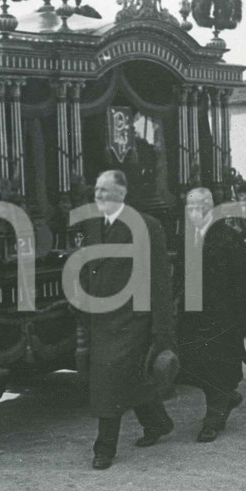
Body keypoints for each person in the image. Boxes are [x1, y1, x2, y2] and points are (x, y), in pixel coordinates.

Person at [77, 170, 175, 470]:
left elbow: (160, 280)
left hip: (133, 318)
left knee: (108, 380)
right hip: (101, 317)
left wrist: (162, 330)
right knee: (128, 377)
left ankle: (104, 448)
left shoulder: (147, 226)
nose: (99, 196)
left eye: (105, 190)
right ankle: (158, 423)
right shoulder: (93, 225)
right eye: (96, 190)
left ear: (122, 192)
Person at [176, 187, 246, 442]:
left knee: (217, 367)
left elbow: (244, 282)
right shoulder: (187, 237)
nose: (191, 213)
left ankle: (213, 419)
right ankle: (227, 398)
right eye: (187, 208)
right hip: (194, 315)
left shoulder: (228, 237)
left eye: (195, 207)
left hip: (223, 316)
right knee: (194, 365)